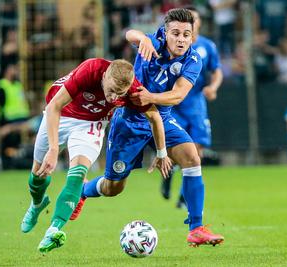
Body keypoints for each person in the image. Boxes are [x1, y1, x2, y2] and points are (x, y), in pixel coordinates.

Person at [74, 8, 224, 247]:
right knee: (113, 187)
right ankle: (83, 191)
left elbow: (177, 96)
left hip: (161, 117)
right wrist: (141, 38)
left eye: (187, 34)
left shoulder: (194, 59)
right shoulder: (154, 41)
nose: (181, 39)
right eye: (176, 33)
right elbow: (129, 34)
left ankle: (196, 228)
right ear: (166, 33)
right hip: (129, 123)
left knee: (192, 158)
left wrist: (150, 96)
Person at [20, 58, 171, 253]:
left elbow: (155, 117)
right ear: (105, 75)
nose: (113, 97)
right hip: (61, 115)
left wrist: (161, 152)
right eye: (112, 89)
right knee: (38, 175)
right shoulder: (90, 70)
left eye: (120, 94)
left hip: (91, 125)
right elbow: (53, 107)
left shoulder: (132, 89)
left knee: (76, 176)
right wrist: (54, 149)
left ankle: (53, 230)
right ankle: (37, 204)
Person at [157, 6, 224, 208]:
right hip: (173, 104)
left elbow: (217, 71)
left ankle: (183, 196)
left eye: (193, 19)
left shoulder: (207, 46)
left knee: (197, 150)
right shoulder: (168, 45)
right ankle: (169, 174)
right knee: (177, 151)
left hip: (195, 104)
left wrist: (213, 87)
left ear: (198, 23)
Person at [0, 63, 30, 169]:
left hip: (20, 119)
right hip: (7, 120)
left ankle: (16, 163)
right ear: (7, 71)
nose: (16, 71)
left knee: (18, 146)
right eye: (14, 69)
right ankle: (7, 165)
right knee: (7, 145)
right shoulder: (3, 85)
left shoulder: (17, 85)